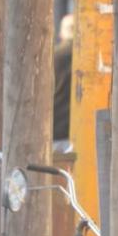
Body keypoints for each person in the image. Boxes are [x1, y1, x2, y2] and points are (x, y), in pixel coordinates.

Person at [52, 14, 74, 143]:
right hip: (82, 130)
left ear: (61, 34)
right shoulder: (91, 58)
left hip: (55, 127)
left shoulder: (53, 56)